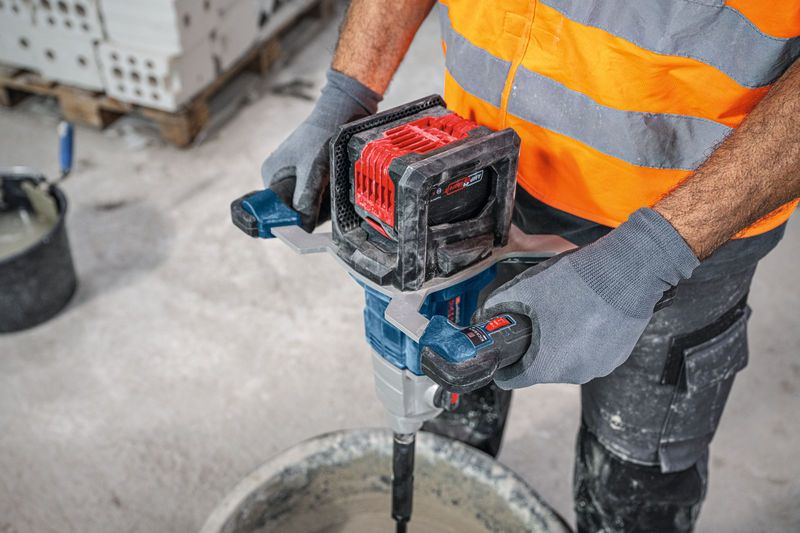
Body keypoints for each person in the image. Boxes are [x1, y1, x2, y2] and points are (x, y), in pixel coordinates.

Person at [260, 1, 800, 531]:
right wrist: (347, 95)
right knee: (451, 401)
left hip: (688, 216)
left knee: (633, 484)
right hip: (469, 174)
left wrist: (649, 257)